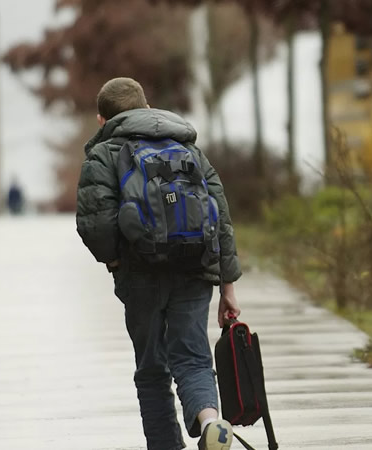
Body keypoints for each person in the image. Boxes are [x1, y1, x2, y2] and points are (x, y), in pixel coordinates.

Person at [75, 77, 241, 450]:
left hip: (140, 274)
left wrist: (116, 261)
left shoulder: (104, 154)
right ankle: (212, 422)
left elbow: (94, 224)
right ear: (147, 108)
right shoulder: (189, 149)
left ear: (102, 120)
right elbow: (221, 219)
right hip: (195, 269)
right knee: (194, 358)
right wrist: (227, 287)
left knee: (152, 370)